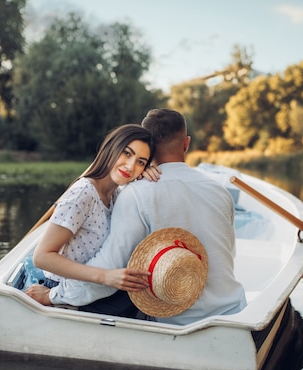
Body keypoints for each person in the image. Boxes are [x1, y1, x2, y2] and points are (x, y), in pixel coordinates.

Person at [81, 108, 246, 325]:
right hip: (234, 311)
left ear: (147, 146)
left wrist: (56, 295)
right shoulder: (220, 191)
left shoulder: (137, 193)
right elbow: (227, 254)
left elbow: (110, 266)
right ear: (186, 144)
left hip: (174, 322)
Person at [24, 124, 155, 307]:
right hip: (63, 290)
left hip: (92, 288)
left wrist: (146, 177)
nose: (131, 166)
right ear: (111, 148)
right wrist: (105, 276)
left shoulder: (117, 195)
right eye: (127, 153)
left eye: (141, 162)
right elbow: (42, 257)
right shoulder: (83, 193)